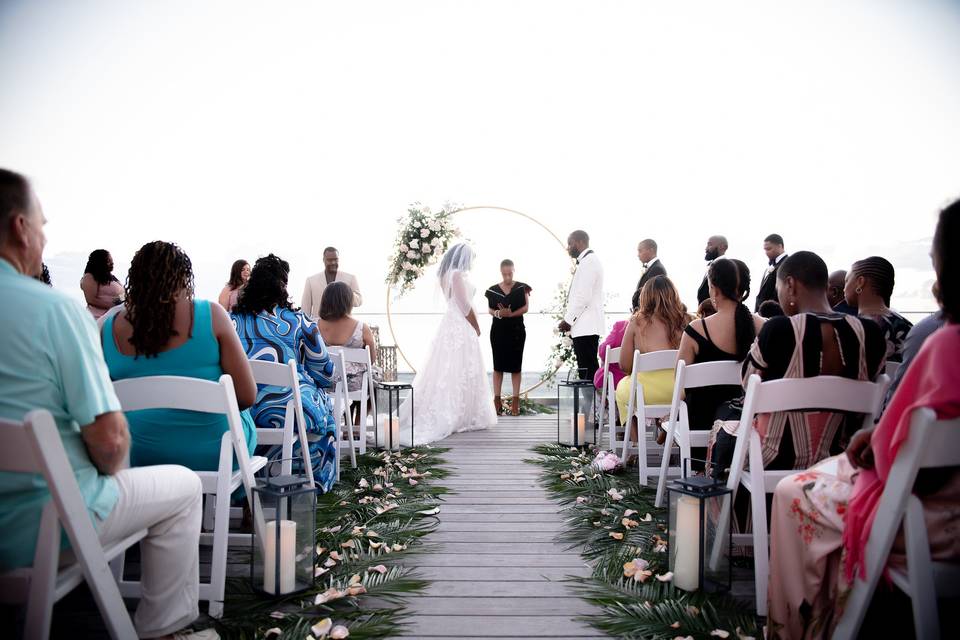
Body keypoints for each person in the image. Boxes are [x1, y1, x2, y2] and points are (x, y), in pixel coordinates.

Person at [0, 169, 205, 639]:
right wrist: (111, 464)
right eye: (43, 225)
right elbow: (110, 445)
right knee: (184, 488)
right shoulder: (53, 311)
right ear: (19, 228)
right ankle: (165, 629)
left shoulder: (106, 323)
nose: (44, 238)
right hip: (47, 527)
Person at [766, 200, 960, 640]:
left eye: (937, 264)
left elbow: (893, 456)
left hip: (924, 525)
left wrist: (874, 439)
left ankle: (794, 630)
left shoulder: (946, 346)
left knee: (791, 492)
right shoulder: (872, 333)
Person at [718, 251, 886, 474]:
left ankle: (735, 506)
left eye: (778, 288)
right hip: (842, 459)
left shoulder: (779, 330)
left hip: (773, 458)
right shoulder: (871, 334)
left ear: (790, 285)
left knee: (724, 430)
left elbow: (749, 385)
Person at [102, 241, 258, 473]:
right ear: (184, 278)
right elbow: (246, 396)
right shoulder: (212, 315)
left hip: (139, 455)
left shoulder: (108, 328)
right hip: (214, 454)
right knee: (243, 420)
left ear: (135, 280)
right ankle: (238, 501)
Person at [232, 255, 340, 491]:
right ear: (283, 286)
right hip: (288, 412)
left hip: (242, 411)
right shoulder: (299, 321)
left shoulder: (232, 322)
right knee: (322, 411)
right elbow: (324, 373)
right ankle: (313, 478)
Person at [400, 243, 497, 444]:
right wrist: (477, 326)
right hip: (460, 325)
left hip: (450, 324)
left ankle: (460, 412)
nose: (471, 262)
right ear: (462, 258)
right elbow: (464, 305)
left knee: (449, 368)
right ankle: (459, 414)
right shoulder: (457, 275)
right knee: (459, 368)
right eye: (470, 258)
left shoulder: (445, 275)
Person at [678, 259, 764, 460]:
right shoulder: (764, 327)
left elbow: (680, 384)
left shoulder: (696, 330)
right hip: (748, 422)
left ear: (714, 290)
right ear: (743, 289)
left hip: (700, 422)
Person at [615, 276, 690, 432]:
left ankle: (636, 445)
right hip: (682, 392)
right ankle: (669, 434)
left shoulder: (637, 322)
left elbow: (625, 365)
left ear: (645, 297)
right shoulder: (689, 320)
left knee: (621, 390)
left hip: (646, 393)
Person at [484, 259, 531, 416]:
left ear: (514, 270)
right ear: (501, 272)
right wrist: (499, 313)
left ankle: (515, 403)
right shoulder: (492, 290)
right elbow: (490, 309)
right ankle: (496, 401)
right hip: (498, 331)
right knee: (498, 366)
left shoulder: (521, 287)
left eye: (510, 273)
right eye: (504, 274)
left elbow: (526, 307)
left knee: (516, 367)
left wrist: (511, 314)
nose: (507, 277)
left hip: (517, 330)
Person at [844, 256, 913, 361]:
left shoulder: (852, 328)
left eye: (846, 280)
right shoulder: (907, 326)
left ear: (860, 282)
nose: (844, 289)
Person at [558, 230, 605, 382]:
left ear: (579, 242)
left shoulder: (589, 262)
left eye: (570, 243)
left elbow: (583, 297)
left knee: (588, 371)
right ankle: (593, 404)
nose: (568, 247)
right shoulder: (587, 261)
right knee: (586, 369)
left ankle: (592, 405)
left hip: (587, 326)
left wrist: (568, 320)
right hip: (584, 326)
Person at [317, 280, 378, 393]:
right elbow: (372, 360)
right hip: (353, 386)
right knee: (374, 375)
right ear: (348, 301)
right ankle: (360, 410)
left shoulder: (314, 326)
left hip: (323, 383)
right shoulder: (362, 328)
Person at [301, 246, 362, 318]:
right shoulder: (311, 281)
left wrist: (345, 293)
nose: (333, 262)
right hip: (319, 327)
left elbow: (359, 301)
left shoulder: (350, 278)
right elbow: (305, 310)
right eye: (329, 260)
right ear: (323, 260)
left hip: (344, 326)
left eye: (336, 259)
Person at [80, 248, 124, 320]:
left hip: (114, 317)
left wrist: (123, 301)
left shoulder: (111, 277)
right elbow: (91, 300)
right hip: (97, 319)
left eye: (111, 260)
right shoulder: (89, 277)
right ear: (100, 262)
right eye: (108, 261)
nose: (112, 263)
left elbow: (122, 295)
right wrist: (115, 305)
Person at [754, 233, 787, 311]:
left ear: (780, 246)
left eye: (769, 249)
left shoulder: (787, 265)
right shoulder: (772, 265)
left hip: (775, 314)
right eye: (765, 250)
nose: (766, 253)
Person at [697, 235, 728, 304]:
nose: (706, 248)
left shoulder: (724, 268)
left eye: (710, 244)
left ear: (723, 247)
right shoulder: (713, 265)